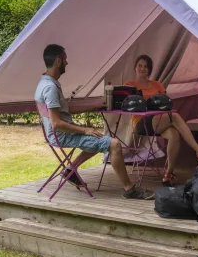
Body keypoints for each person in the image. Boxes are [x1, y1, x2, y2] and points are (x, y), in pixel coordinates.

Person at [35, 44, 155, 200]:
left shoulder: (44, 83)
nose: (67, 62)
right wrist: (85, 130)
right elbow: (56, 123)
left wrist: (93, 106)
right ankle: (129, 189)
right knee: (114, 144)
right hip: (62, 135)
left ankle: (70, 170)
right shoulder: (50, 88)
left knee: (97, 137)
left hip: (57, 134)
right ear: (58, 61)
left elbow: (65, 109)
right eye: (65, 59)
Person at [127, 54, 198, 187]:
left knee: (174, 135)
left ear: (149, 70)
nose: (142, 68)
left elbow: (166, 104)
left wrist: (158, 99)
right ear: (135, 68)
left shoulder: (157, 85)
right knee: (175, 116)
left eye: (146, 66)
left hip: (159, 120)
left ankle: (169, 173)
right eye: (140, 66)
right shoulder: (129, 85)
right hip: (141, 123)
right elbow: (128, 106)